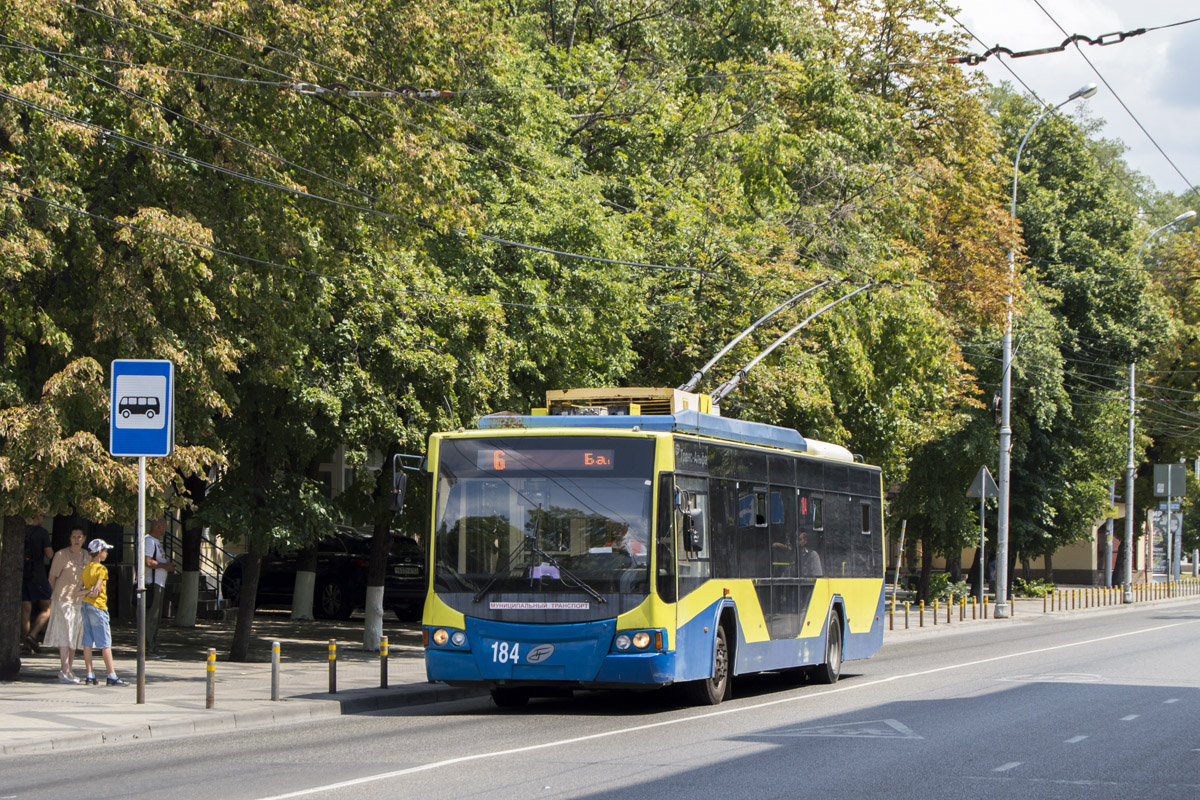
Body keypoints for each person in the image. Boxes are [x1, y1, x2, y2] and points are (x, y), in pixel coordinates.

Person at [80, 539, 128, 687]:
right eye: (105, 551)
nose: (106, 553)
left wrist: (87, 592)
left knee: (88, 641)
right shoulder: (102, 569)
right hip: (98, 606)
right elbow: (97, 589)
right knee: (105, 643)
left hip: (85, 605)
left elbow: (79, 589)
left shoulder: (87, 568)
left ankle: (89, 674)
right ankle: (111, 675)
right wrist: (93, 591)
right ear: (99, 552)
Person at [44, 525, 88, 683]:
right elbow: (51, 578)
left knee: (74, 635)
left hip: (79, 601)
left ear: (84, 539)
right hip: (63, 599)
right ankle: (65, 669)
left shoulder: (87, 556)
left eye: (79, 537)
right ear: (69, 539)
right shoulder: (61, 555)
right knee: (66, 633)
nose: (76, 540)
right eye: (73, 537)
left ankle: (69, 668)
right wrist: (55, 595)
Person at [20, 513, 53, 654]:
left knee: (25, 610)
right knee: (48, 608)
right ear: (37, 517)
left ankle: (26, 644)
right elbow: (49, 554)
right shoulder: (42, 533)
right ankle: (33, 636)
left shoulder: (21, 530)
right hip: (38, 574)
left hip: (22, 573)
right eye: (41, 516)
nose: (43, 519)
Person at [144, 518, 176, 656]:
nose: (165, 529)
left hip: (159, 582)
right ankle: (147, 646)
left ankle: (152, 645)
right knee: (152, 616)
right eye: (164, 526)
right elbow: (148, 562)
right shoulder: (149, 541)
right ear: (157, 526)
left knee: (156, 618)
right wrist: (165, 566)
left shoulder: (156, 542)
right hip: (153, 583)